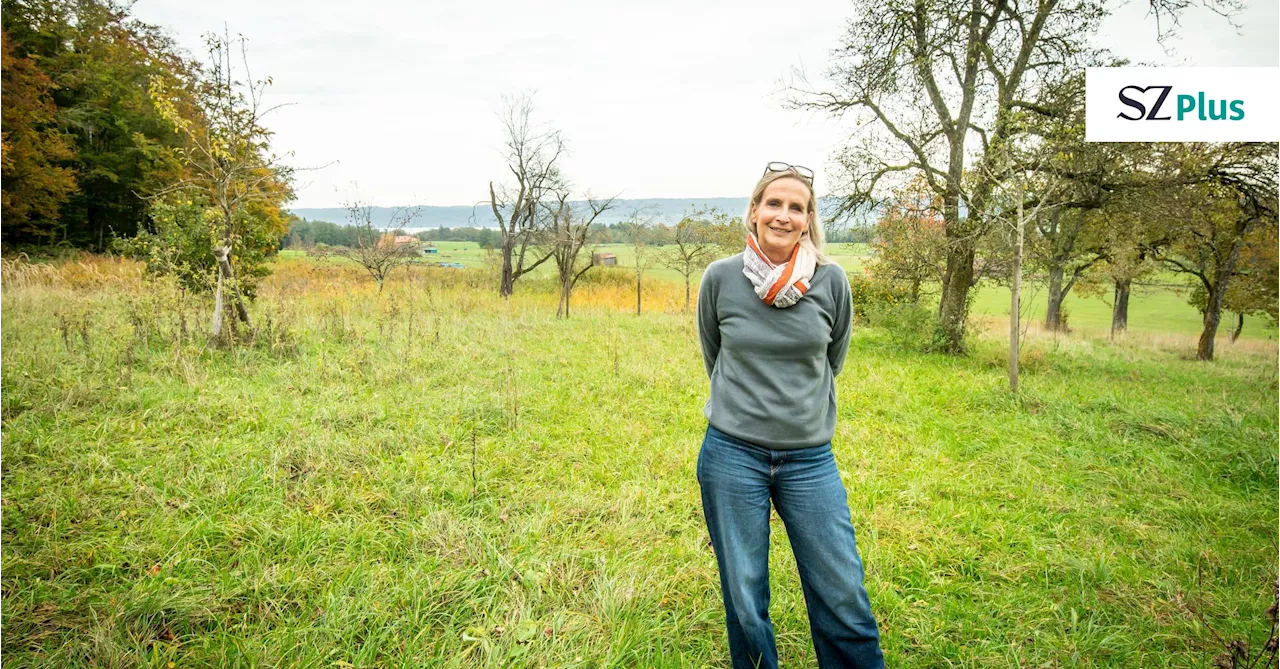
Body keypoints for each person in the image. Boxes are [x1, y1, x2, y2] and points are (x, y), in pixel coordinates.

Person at [695, 162, 884, 668]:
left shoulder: (832, 281)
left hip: (809, 460)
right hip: (731, 455)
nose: (783, 215)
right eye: (773, 203)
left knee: (842, 592)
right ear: (754, 212)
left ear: (808, 219)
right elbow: (714, 355)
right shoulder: (720, 278)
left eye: (795, 207)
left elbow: (833, 359)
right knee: (745, 595)